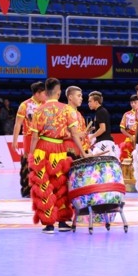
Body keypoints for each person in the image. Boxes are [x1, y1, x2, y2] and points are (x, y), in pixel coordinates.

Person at [27, 77, 86, 234]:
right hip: (58, 150)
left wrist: (31, 157)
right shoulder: (66, 109)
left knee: (43, 186)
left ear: (46, 92)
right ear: (59, 93)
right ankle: (62, 221)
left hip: (41, 149)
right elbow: (74, 135)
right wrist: (84, 152)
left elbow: (34, 137)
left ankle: (48, 225)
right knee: (60, 185)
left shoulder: (38, 110)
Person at [12, 82, 46, 198]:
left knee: (43, 162)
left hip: (43, 137)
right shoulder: (24, 105)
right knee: (29, 162)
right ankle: (28, 190)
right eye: (44, 93)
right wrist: (15, 140)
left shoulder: (46, 104)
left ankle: (42, 187)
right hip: (29, 137)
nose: (46, 95)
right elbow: (18, 124)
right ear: (37, 93)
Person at [88, 91, 119, 158]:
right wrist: (94, 128)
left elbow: (102, 129)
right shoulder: (101, 111)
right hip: (106, 142)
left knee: (101, 165)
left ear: (96, 102)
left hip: (104, 143)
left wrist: (91, 136)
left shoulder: (100, 112)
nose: (88, 103)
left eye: (90, 101)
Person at [64, 86, 90, 159]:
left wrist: (86, 149)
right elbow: (59, 132)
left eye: (81, 96)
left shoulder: (79, 114)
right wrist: (76, 135)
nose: (81, 98)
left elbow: (82, 135)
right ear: (70, 97)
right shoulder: (63, 111)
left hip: (79, 150)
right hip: (67, 150)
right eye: (79, 96)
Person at [119, 94, 138, 161]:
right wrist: (130, 136)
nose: (133, 104)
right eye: (131, 103)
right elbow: (122, 129)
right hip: (130, 139)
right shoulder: (127, 114)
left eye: (135, 102)